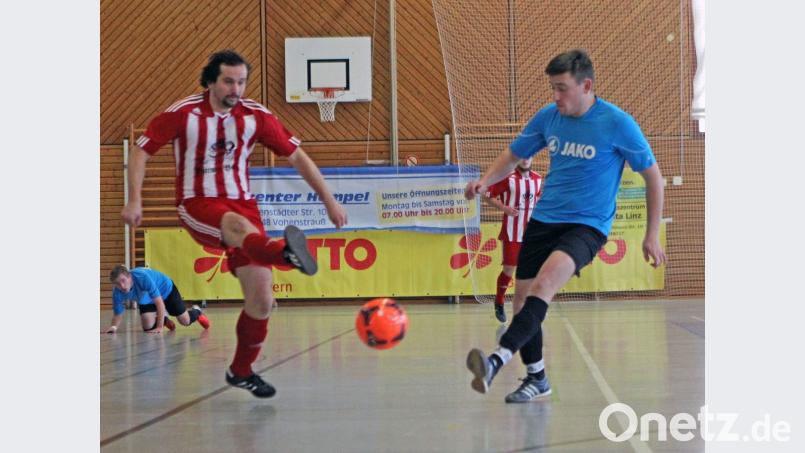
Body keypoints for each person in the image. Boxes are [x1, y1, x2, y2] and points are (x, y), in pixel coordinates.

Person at [121, 50, 347, 398]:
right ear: (210, 81)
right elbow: (141, 151)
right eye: (228, 81)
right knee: (239, 227)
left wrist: (329, 200)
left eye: (241, 82)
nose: (236, 89)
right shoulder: (183, 114)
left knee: (260, 298)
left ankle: (240, 371)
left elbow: (297, 156)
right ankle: (285, 254)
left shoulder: (256, 116)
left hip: (244, 208)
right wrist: (135, 199)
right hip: (198, 204)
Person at [463, 49, 667, 403]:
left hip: (587, 226)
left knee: (545, 284)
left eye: (562, 89)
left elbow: (654, 179)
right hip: (544, 220)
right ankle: (536, 377)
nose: (555, 97)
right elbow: (512, 156)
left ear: (586, 85)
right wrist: (484, 181)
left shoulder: (617, 123)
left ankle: (497, 360)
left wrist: (650, 234)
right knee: (522, 300)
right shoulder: (549, 118)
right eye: (552, 89)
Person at [482, 157, 543, 323]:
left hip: (532, 233)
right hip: (512, 231)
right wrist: (504, 208)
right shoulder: (507, 178)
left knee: (533, 270)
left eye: (529, 156)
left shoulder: (538, 179)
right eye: (522, 156)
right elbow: (487, 195)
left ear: (532, 159)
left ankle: (529, 307)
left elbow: (539, 200)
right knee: (509, 268)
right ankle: (499, 301)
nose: (525, 160)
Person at [102, 265, 209, 334]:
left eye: (123, 280)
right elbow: (118, 314)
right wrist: (114, 327)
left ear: (129, 276)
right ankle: (164, 319)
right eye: (117, 284)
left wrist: (159, 327)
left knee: (185, 321)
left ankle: (197, 312)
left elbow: (159, 303)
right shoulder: (117, 292)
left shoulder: (142, 277)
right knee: (148, 328)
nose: (122, 286)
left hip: (165, 290)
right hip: (146, 298)